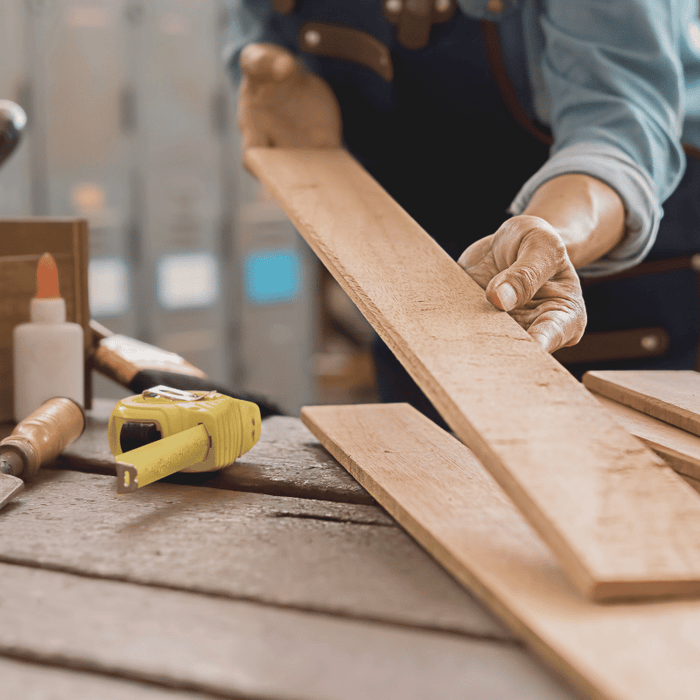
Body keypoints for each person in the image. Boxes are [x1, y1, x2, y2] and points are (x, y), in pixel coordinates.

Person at [228, 0, 700, 418]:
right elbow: (257, 31)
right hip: (420, 283)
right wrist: (278, 81)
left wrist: (547, 236)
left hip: (608, 284)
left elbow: (616, 133)